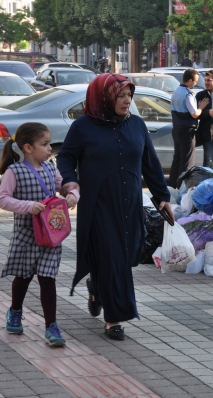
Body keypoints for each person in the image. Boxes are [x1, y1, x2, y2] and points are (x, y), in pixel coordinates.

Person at [56, 74, 174, 341]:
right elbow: (65, 157)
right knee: (113, 258)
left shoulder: (137, 125)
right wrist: (71, 182)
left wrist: (162, 196)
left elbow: (151, 163)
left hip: (129, 203)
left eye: (129, 95)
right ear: (105, 97)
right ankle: (115, 318)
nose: (127, 101)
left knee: (127, 255)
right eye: (121, 96)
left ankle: (96, 287)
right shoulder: (83, 126)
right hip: (98, 204)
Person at [0, 122, 78, 347]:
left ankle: (51, 326)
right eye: (44, 144)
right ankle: (15, 311)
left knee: (47, 278)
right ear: (28, 147)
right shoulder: (15, 171)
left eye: (49, 143)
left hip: (51, 236)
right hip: (26, 235)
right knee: (23, 276)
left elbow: (66, 187)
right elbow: (2, 199)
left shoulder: (52, 168)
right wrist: (27, 206)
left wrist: (73, 195)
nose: (50, 148)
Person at [168, 69, 209, 188]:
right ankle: (182, 188)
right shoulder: (187, 94)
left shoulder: (176, 91)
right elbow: (194, 114)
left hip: (176, 129)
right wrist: (201, 107)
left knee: (177, 159)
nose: (196, 83)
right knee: (186, 162)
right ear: (190, 80)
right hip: (186, 131)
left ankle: (172, 186)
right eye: (195, 81)